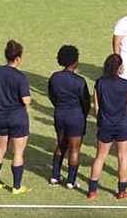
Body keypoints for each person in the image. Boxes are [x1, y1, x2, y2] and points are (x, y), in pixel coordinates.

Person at [88, 54, 127, 200]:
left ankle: (92, 191)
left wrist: (100, 122)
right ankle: (122, 191)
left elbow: (96, 107)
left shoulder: (99, 83)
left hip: (105, 125)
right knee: (123, 158)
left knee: (100, 157)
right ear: (119, 67)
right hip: (123, 126)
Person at [0, 40, 32, 194]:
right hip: (18, 118)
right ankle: (17, 187)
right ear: (18, 58)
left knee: (0, 149)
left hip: (1, 116)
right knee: (18, 153)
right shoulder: (21, 77)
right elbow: (26, 100)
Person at [47, 45, 90, 189]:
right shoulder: (80, 81)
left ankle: (54, 176)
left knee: (61, 145)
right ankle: (71, 181)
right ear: (74, 61)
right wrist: (82, 115)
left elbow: (51, 96)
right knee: (74, 150)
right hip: (76, 117)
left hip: (60, 114)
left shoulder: (54, 78)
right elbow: (85, 103)